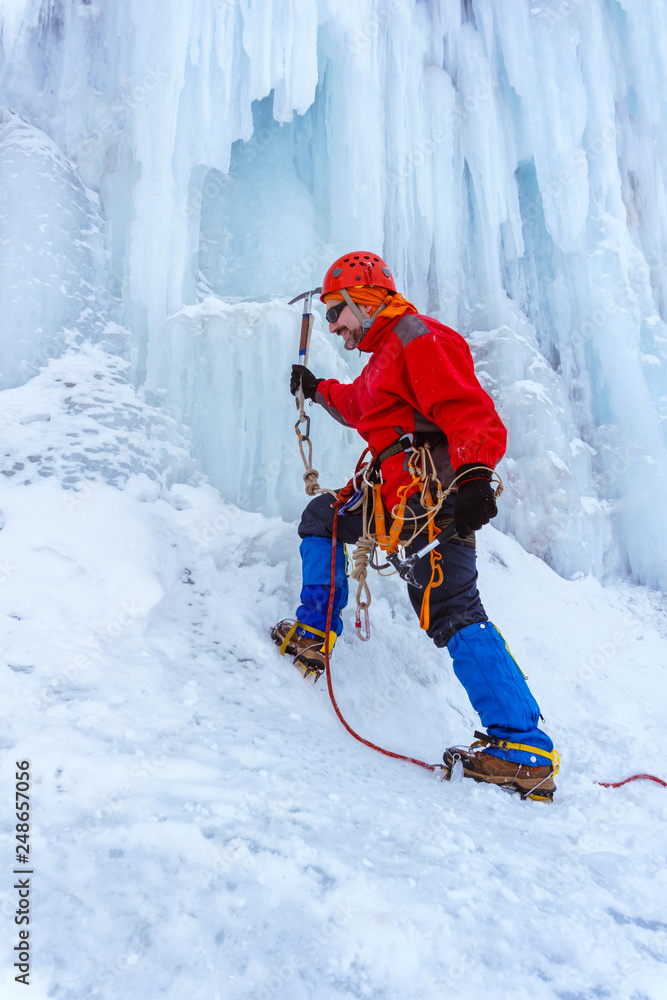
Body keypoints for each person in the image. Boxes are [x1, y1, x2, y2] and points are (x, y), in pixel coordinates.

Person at [272, 251, 558, 801]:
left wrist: (474, 476)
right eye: (328, 317)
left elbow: (467, 410)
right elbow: (361, 406)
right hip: (392, 499)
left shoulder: (416, 337)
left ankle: (524, 746)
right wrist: (315, 388)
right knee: (324, 518)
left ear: (364, 300)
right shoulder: (383, 357)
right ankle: (313, 633)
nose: (333, 326)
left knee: (453, 611)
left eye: (338, 313)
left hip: (433, 501)